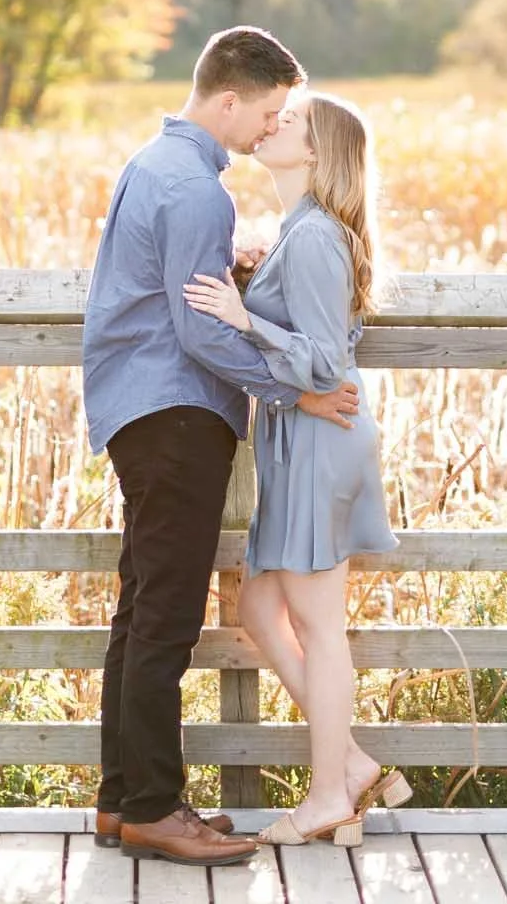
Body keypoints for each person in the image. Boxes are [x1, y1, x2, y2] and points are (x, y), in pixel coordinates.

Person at [80, 27, 364, 868]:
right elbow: (200, 334)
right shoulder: (197, 191)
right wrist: (298, 391)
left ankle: (120, 800)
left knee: (140, 610)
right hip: (177, 413)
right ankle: (156, 810)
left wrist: (240, 272)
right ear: (230, 99)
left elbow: (184, 292)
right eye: (269, 111)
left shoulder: (152, 167)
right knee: (165, 616)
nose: (268, 129)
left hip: (140, 408)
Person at [182, 89, 408, 849]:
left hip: (320, 440)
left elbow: (321, 362)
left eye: (294, 121)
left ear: (317, 153)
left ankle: (326, 800)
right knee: (258, 609)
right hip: (302, 443)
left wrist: (244, 317)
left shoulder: (314, 239)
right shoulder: (301, 232)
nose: (276, 122)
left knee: (318, 623)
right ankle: (350, 765)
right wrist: (254, 278)